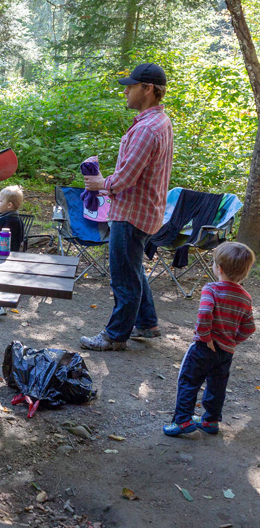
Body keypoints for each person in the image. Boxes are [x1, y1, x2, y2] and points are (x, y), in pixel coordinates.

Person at [80, 63, 174, 351]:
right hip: (147, 210)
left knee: (124, 278)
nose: (125, 91)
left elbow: (124, 179)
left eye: (131, 86)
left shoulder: (147, 129)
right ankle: (147, 323)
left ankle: (114, 336)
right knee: (132, 269)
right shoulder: (160, 121)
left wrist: (98, 183)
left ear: (148, 89)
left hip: (131, 213)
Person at [163, 242, 255, 436]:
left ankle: (183, 421)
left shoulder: (211, 289)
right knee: (217, 385)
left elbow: (205, 313)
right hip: (226, 352)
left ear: (218, 268)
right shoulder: (245, 297)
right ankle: (211, 420)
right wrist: (233, 341)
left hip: (204, 347)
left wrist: (206, 338)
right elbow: (249, 327)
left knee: (189, 381)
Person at [0, 185, 25, 319]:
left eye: (0, 200)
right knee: (5, 280)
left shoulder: (1, 220)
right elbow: (21, 238)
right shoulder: (19, 220)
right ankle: (0, 304)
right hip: (14, 255)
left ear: (9, 205)